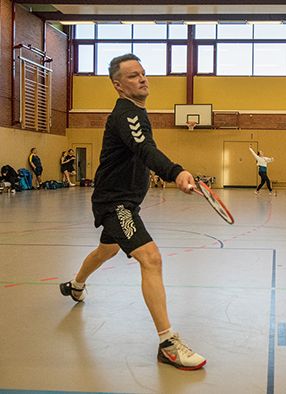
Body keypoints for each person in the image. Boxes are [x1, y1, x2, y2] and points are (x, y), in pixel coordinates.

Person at [58, 54, 205, 370]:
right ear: (117, 85)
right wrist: (175, 172)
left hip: (126, 201)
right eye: (133, 75)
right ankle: (168, 343)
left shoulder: (137, 112)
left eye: (143, 73)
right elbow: (145, 149)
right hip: (116, 204)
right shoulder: (126, 114)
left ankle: (75, 285)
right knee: (150, 258)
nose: (142, 79)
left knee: (106, 249)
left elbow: (142, 150)